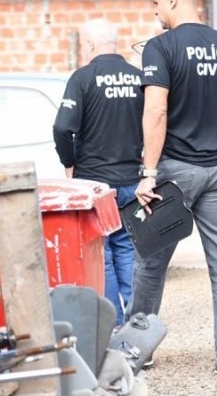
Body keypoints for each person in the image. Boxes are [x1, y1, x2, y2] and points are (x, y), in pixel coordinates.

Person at [129, 0, 217, 380]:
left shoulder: (160, 48)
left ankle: (133, 352)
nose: (155, 10)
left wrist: (147, 173)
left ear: (174, 0)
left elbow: (156, 111)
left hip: (176, 172)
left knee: (150, 261)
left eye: (156, 3)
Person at [53, 18, 145, 327]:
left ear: (90, 45)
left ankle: (114, 327)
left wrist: (69, 163)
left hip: (96, 186)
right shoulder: (139, 78)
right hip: (133, 181)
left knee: (101, 255)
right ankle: (139, 325)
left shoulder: (82, 78)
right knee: (128, 251)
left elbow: (63, 127)